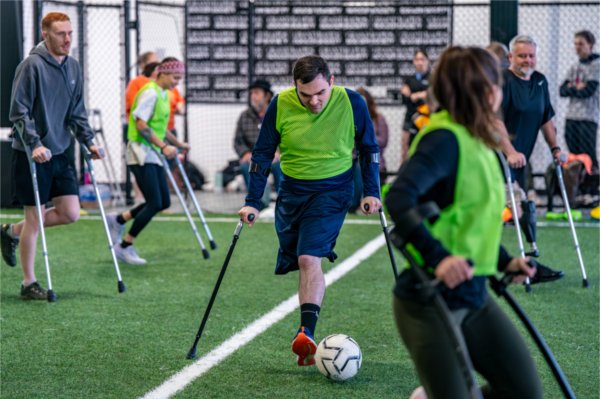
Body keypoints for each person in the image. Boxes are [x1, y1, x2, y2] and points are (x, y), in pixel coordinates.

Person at [386, 46, 542, 399]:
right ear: (486, 91)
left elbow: (470, 220)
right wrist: (439, 258)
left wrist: (505, 261)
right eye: (496, 82)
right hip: (428, 301)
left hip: (473, 296)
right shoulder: (444, 139)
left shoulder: (478, 141)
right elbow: (398, 197)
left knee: (524, 392)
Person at [238, 55, 381, 366]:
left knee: (308, 256)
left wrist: (371, 192)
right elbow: (262, 153)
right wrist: (253, 199)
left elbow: (369, 148)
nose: (314, 101)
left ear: (331, 82)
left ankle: (306, 332)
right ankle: (307, 331)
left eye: (320, 93)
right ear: (295, 87)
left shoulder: (352, 102)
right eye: (306, 95)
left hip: (333, 190)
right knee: (297, 256)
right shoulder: (280, 103)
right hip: (291, 191)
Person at [1, 12, 103, 300]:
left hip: (60, 151)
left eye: (70, 33)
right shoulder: (31, 66)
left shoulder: (72, 67)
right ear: (46, 34)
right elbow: (18, 111)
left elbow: (77, 112)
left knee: (70, 212)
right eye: (61, 33)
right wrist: (34, 143)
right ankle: (28, 283)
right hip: (32, 153)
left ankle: (10, 232)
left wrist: (89, 142)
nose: (67, 39)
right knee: (34, 219)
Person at [106, 58, 189, 265]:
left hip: (152, 154)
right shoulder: (150, 93)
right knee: (154, 203)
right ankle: (124, 246)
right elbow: (141, 124)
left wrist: (178, 143)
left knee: (164, 201)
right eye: (175, 77)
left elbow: (160, 128)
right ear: (163, 73)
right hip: (140, 153)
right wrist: (163, 146)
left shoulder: (164, 94)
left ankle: (118, 220)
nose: (177, 82)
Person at [497, 34, 564, 283]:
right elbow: (495, 121)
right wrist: (509, 151)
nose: (527, 60)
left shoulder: (540, 82)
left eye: (531, 55)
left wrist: (555, 148)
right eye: (522, 55)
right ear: (510, 57)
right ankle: (520, 266)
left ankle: (526, 264)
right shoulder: (502, 81)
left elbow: (546, 118)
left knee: (523, 205)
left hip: (520, 160)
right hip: (498, 157)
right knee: (513, 204)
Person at [233, 79, 281, 205]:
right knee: (245, 166)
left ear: (267, 96)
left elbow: (287, 137)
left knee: (280, 166)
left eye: (256, 93)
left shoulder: (279, 113)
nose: (252, 96)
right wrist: (245, 153)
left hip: (274, 158)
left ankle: (283, 202)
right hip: (254, 159)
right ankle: (259, 203)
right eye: (251, 93)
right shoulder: (244, 116)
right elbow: (238, 141)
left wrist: (278, 152)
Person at [559, 30, 599, 170]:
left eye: (581, 44)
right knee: (574, 155)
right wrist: (578, 87)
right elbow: (562, 91)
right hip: (571, 116)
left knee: (588, 154)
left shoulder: (596, 65)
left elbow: (588, 91)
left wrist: (572, 87)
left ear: (590, 44)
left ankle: (592, 188)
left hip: (588, 116)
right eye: (575, 44)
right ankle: (579, 187)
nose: (577, 47)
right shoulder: (574, 66)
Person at [124, 51, 159, 205]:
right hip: (139, 134)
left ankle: (152, 199)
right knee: (140, 164)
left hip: (158, 132)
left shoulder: (160, 86)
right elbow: (135, 109)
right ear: (144, 65)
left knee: (155, 167)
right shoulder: (137, 83)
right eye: (153, 62)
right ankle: (140, 199)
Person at [349, 87, 389, 211]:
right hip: (352, 157)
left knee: (361, 165)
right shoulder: (349, 119)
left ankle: (360, 201)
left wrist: (366, 139)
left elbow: (383, 140)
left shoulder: (378, 118)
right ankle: (351, 203)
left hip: (372, 157)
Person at [400, 49, 431, 162]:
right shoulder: (409, 80)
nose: (420, 62)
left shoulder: (432, 78)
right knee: (405, 149)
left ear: (427, 61)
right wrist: (405, 93)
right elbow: (405, 100)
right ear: (413, 61)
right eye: (417, 59)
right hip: (410, 116)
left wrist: (420, 94)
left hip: (426, 118)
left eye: (422, 59)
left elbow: (433, 95)